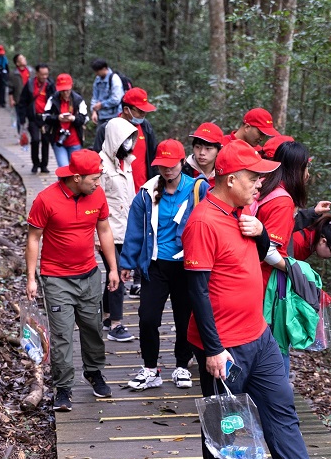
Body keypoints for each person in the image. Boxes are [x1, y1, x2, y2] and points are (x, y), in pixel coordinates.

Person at [182, 139, 311, 459]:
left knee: (283, 412)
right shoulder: (202, 222)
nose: (260, 184)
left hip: (260, 337)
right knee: (224, 428)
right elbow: (196, 291)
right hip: (225, 347)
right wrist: (212, 349)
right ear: (231, 180)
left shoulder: (243, 215)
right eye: (253, 178)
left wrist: (262, 234)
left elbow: (262, 256)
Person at [25, 149, 120, 412]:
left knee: (93, 327)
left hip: (89, 273)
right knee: (62, 335)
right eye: (94, 179)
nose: (98, 183)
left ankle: (94, 372)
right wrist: (31, 277)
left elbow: (104, 230)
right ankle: (63, 388)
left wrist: (113, 268)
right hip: (57, 278)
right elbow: (34, 238)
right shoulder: (46, 200)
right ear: (76, 177)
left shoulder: (96, 195)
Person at [120, 139, 209, 391]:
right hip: (155, 265)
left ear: (182, 162)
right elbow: (135, 229)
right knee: (147, 318)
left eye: (172, 165)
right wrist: (127, 262)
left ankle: (182, 364)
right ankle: (150, 369)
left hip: (187, 265)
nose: (167, 170)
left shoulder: (198, 189)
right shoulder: (147, 192)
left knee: (185, 318)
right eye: (162, 165)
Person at [249, 140, 312, 377]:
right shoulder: (282, 201)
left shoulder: (265, 188)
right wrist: (293, 268)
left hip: (254, 277)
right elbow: (269, 250)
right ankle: (278, 402)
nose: (308, 174)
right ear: (297, 168)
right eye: (306, 167)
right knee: (276, 345)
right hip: (268, 285)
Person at [92, 87, 158, 297]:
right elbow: (96, 159)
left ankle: (138, 280)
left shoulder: (145, 128)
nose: (143, 116)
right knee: (122, 243)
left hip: (141, 190)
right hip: (115, 197)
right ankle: (114, 309)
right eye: (139, 111)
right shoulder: (107, 129)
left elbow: (153, 157)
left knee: (143, 235)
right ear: (127, 110)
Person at [97, 117, 139, 343]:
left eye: (130, 140)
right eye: (124, 140)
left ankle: (105, 316)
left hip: (124, 229)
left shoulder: (127, 163)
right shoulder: (101, 166)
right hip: (107, 230)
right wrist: (95, 235)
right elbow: (95, 201)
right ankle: (116, 324)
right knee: (118, 275)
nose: (128, 144)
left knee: (115, 274)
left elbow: (129, 197)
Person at [43, 73, 88, 168]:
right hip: (58, 140)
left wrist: (73, 118)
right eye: (62, 90)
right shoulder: (53, 99)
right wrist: (57, 118)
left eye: (67, 90)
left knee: (75, 169)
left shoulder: (78, 100)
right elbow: (45, 117)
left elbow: (84, 119)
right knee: (64, 168)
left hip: (75, 141)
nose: (65, 93)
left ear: (71, 86)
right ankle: (62, 183)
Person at [19, 64, 55, 173]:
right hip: (33, 117)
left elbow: (55, 101)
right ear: (37, 73)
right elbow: (23, 101)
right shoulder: (30, 84)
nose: (45, 76)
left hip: (46, 118)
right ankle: (35, 163)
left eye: (46, 74)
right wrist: (22, 118)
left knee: (45, 141)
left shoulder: (50, 85)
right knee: (35, 140)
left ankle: (44, 165)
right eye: (42, 74)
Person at [181, 122, 225, 186]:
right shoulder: (182, 172)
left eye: (208, 148)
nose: (202, 153)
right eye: (198, 147)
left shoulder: (225, 173)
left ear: (219, 151)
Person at [89, 59, 125, 124]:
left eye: (98, 71)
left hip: (115, 116)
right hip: (101, 117)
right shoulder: (97, 80)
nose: (96, 73)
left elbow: (116, 99)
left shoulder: (114, 79)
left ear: (104, 69)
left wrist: (102, 104)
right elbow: (94, 97)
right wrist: (94, 111)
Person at [8, 54, 31, 134]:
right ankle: (21, 135)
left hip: (30, 98)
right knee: (20, 118)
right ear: (17, 63)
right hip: (19, 99)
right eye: (22, 58)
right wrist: (11, 100)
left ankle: (31, 135)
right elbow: (10, 88)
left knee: (31, 117)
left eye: (24, 57)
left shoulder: (31, 71)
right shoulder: (13, 74)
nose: (24, 59)